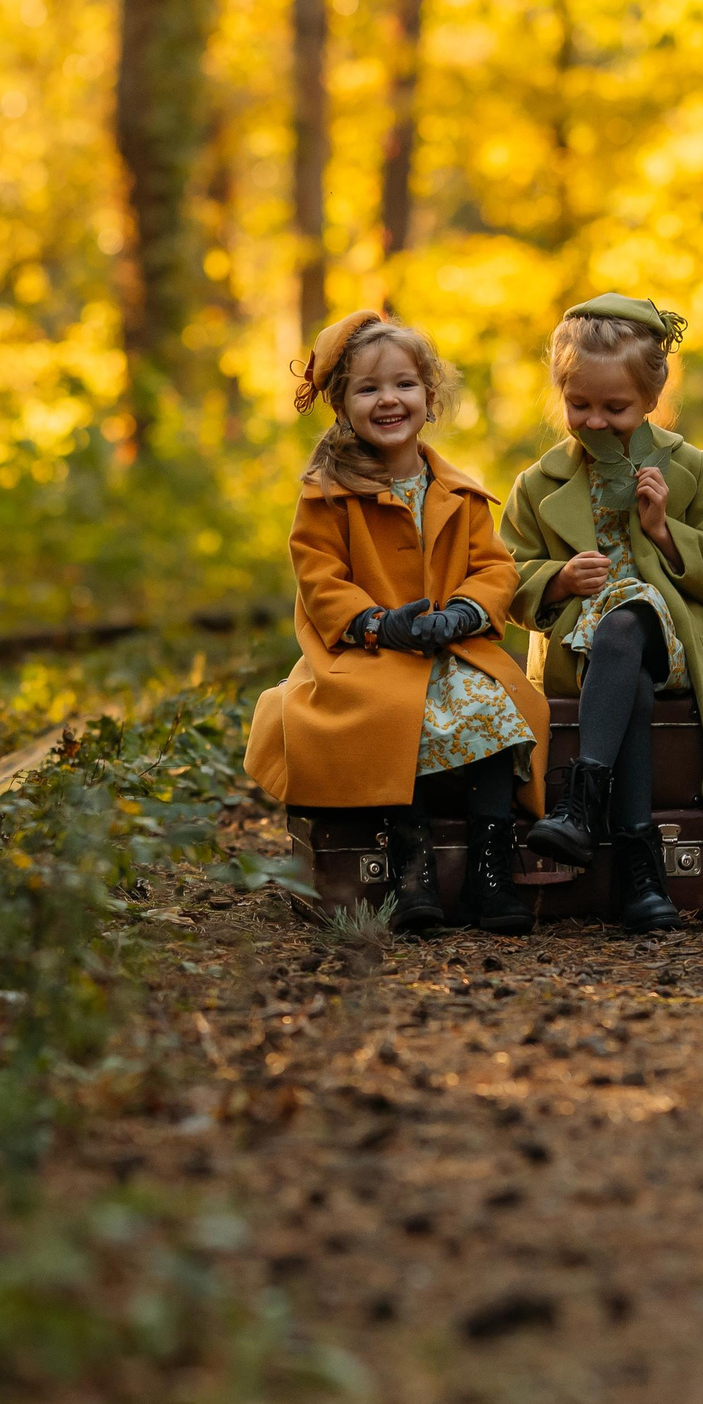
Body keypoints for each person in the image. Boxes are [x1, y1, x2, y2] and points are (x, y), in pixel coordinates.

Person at [244, 310, 550, 935]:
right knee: (389, 712)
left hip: (452, 648)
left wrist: (465, 611)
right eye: (368, 388)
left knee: (498, 707)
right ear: (343, 405)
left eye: (404, 385)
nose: (389, 400)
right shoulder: (326, 497)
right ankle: (411, 864)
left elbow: (494, 569)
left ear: (429, 399)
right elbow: (320, 580)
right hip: (370, 650)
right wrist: (379, 624)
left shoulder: (459, 495)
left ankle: (491, 871)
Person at [499, 293, 703, 932]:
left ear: (651, 400)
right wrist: (558, 581)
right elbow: (503, 582)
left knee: (629, 617)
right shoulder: (539, 483)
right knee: (626, 671)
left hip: (673, 646)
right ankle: (641, 875)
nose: (594, 422)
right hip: (584, 660)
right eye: (578, 404)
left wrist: (665, 530)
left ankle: (584, 810)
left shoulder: (689, 469)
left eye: (614, 408)